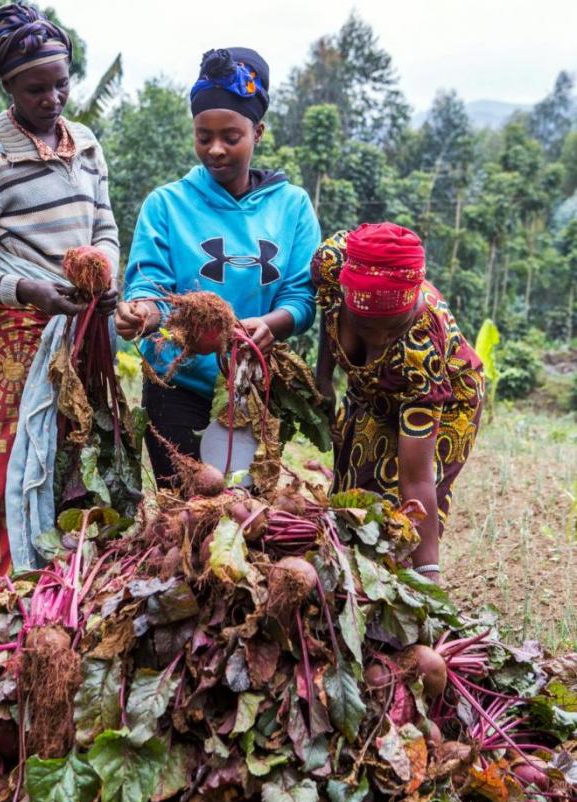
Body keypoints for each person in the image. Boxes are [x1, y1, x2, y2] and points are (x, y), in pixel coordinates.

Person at [0, 2, 119, 601]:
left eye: (61, 84)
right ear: (8, 86)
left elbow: (104, 224)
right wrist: (27, 289)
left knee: (70, 464)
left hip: (75, 329)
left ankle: (53, 599)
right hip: (9, 339)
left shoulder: (88, 146)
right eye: (35, 88)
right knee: (0, 471)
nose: (52, 98)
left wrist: (104, 271)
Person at [115, 47, 320, 485]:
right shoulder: (166, 204)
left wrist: (271, 324)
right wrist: (142, 313)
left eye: (231, 136)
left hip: (251, 388)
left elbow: (301, 296)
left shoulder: (293, 207)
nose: (215, 149)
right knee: (184, 517)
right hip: (177, 385)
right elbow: (149, 284)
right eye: (202, 136)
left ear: (258, 131)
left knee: (246, 517)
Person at [313, 224, 484, 581]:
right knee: (351, 494)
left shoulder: (420, 351)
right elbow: (328, 314)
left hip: (449, 396)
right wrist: (324, 379)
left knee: (399, 519)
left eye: (393, 329)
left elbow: (417, 479)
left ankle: (406, 585)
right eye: (367, 327)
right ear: (347, 292)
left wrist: (428, 577)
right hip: (372, 390)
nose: (380, 340)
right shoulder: (330, 266)